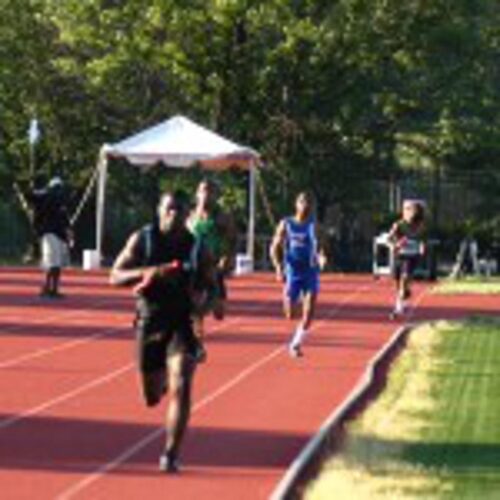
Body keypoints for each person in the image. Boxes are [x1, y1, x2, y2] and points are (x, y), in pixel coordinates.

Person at [110, 190, 211, 473]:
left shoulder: (197, 247)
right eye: (169, 209)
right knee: (151, 397)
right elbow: (114, 276)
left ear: (187, 214)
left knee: (183, 385)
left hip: (181, 322)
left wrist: (203, 301)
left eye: (179, 210)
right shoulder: (142, 239)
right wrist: (148, 273)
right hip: (150, 320)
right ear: (159, 210)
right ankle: (160, 381)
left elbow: (211, 285)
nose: (174, 215)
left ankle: (170, 455)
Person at [270, 191, 327, 358]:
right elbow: (274, 247)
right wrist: (278, 267)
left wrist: (322, 258)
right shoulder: (286, 223)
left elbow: (322, 248)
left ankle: (296, 343)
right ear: (296, 204)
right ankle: (295, 300)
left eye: (309, 203)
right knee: (290, 314)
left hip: (310, 271)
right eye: (302, 202)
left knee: (309, 312)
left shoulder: (315, 226)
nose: (306, 205)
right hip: (292, 271)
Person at [187, 179, 237, 353]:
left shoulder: (223, 217)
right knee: (195, 309)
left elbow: (232, 241)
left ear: (216, 196)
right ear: (197, 194)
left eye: (210, 191)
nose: (205, 195)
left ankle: (209, 306)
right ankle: (198, 344)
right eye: (202, 191)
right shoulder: (190, 218)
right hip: (194, 268)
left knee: (219, 313)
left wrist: (228, 258)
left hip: (214, 267)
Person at [27, 176, 72, 298]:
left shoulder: (58, 201)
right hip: (50, 234)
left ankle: (51, 289)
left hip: (58, 235)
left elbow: (65, 220)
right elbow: (31, 197)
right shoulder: (48, 197)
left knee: (54, 264)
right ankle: (50, 289)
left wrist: (68, 235)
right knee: (53, 263)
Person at [387, 199, 426, 318]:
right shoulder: (398, 225)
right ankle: (404, 294)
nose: (409, 213)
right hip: (399, 256)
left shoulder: (420, 226)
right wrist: (395, 245)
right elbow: (389, 240)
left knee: (404, 278)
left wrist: (422, 247)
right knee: (397, 282)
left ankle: (398, 309)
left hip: (412, 256)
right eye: (407, 210)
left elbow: (423, 240)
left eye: (412, 210)